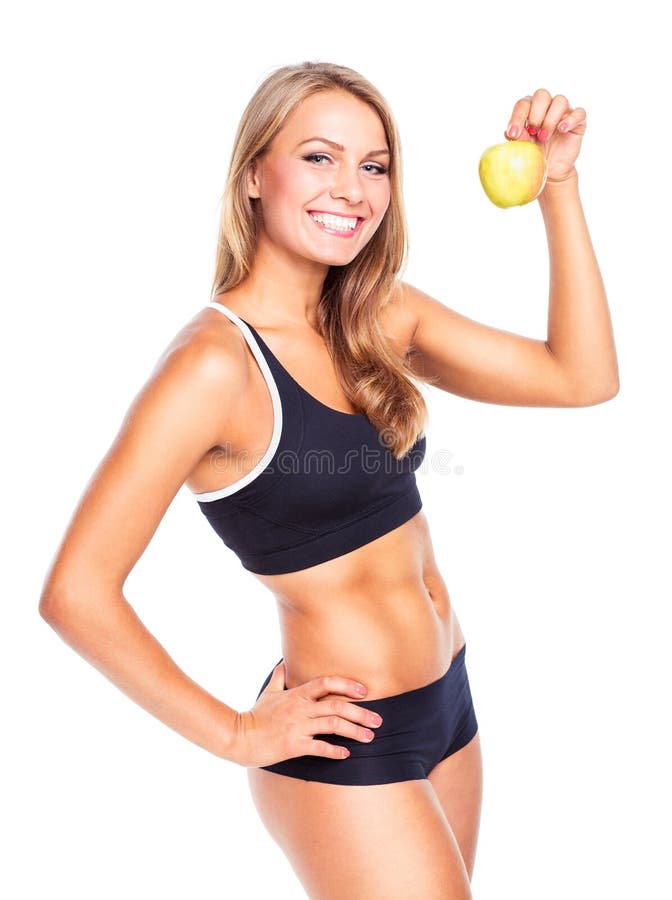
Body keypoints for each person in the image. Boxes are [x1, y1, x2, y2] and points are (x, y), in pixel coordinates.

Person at [39, 61, 619, 899]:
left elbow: (582, 377)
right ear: (252, 176)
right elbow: (75, 593)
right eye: (318, 158)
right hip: (348, 748)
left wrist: (558, 189)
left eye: (373, 166)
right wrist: (237, 733)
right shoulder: (214, 368)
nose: (351, 188)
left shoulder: (378, 315)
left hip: (449, 705)